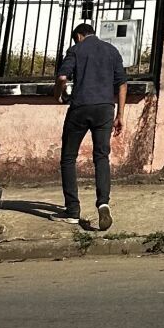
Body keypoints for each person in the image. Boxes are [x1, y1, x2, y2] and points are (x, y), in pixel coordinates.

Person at [56, 23, 128, 231]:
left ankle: (72, 210)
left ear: (79, 36)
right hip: (105, 109)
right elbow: (122, 84)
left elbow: (62, 77)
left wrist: (59, 94)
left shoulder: (76, 50)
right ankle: (103, 203)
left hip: (80, 107)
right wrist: (120, 115)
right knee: (101, 156)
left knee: (68, 157)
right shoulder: (112, 50)